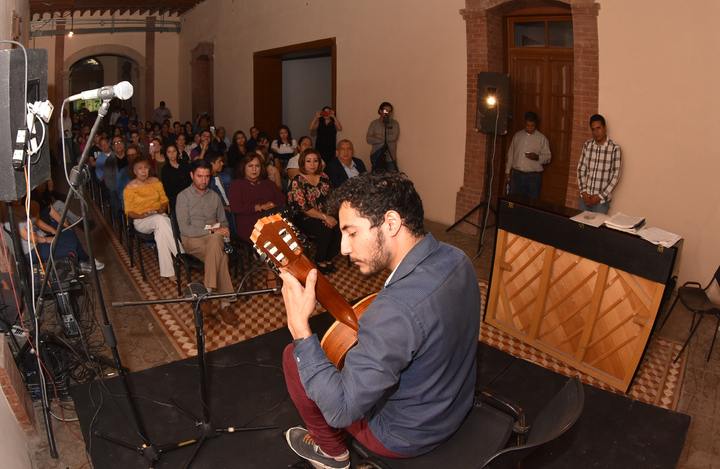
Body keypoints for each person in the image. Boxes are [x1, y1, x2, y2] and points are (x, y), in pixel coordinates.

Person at [279, 172, 480, 468]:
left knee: (294, 357)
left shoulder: (394, 309)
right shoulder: (459, 258)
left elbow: (341, 410)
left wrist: (299, 328)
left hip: (403, 436)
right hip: (455, 407)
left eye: (352, 233)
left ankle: (333, 453)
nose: (344, 248)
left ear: (391, 223)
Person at [175, 159, 238, 325]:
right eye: (199, 176)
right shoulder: (183, 197)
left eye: (207, 177)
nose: (203, 180)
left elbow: (223, 223)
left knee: (219, 249)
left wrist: (219, 230)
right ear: (192, 175)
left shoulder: (215, 197)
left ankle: (206, 295)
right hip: (192, 240)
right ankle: (225, 305)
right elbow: (184, 229)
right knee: (219, 251)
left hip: (213, 241)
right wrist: (211, 230)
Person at [228, 153, 286, 290]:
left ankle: (288, 272)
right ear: (244, 168)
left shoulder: (267, 183)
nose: (254, 169)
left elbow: (282, 199)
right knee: (269, 240)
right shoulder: (237, 184)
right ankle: (271, 275)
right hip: (248, 224)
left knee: (287, 237)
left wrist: (272, 204)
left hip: (270, 220)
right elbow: (236, 207)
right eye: (250, 166)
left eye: (257, 166)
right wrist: (260, 207)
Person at [123, 156, 179, 282]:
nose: (143, 171)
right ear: (134, 171)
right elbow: (129, 212)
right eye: (140, 168)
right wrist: (141, 215)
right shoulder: (129, 188)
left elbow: (164, 201)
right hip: (141, 221)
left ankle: (169, 272)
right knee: (161, 220)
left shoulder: (155, 181)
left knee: (161, 232)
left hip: (159, 217)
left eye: (146, 168)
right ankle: (180, 254)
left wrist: (161, 209)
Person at [287, 148, 340, 275]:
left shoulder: (324, 177)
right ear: (302, 163)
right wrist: (325, 217)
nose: (312, 164)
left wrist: (330, 217)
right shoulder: (297, 180)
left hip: (324, 214)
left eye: (315, 161)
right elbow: (303, 208)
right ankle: (320, 260)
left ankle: (328, 258)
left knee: (340, 229)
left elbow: (332, 199)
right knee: (326, 231)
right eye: (308, 161)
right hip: (303, 217)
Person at [577, 114, 622, 214]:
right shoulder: (588, 145)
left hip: (601, 202)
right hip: (585, 198)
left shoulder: (615, 148)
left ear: (605, 128)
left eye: (598, 128)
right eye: (593, 129)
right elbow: (581, 170)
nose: (596, 132)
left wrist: (600, 196)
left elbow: (615, 177)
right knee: (580, 227)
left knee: (596, 229)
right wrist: (583, 192)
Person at [504, 111, 552, 199]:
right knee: (514, 201)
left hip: (533, 177)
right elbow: (511, 154)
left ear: (536, 125)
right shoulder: (517, 136)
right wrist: (507, 172)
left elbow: (548, 157)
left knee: (532, 203)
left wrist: (537, 157)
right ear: (524, 123)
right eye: (527, 125)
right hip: (517, 175)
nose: (530, 128)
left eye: (532, 126)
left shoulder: (542, 139)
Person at [205, 151, 236, 237]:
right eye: (219, 162)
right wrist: (225, 207)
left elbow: (234, 193)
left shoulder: (226, 176)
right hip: (219, 211)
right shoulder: (207, 182)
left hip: (233, 206)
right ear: (211, 164)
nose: (222, 164)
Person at [366, 101, 400, 171]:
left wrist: (377, 135)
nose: (387, 113)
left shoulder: (394, 123)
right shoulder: (374, 123)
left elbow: (394, 137)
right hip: (377, 156)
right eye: (385, 111)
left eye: (389, 111)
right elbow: (368, 139)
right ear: (380, 111)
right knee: (377, 179)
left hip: (390, 157)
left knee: (391, 179)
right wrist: (385, 136)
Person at [160, 144, 192, 211]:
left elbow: (191, 180)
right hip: (176, 198)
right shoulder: (165, 169)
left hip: (189, 193)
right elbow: (167, 188)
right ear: (166, 154)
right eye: (169, 152)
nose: (172, 154)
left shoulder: (184, 164)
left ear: (177, 152)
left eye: (174, 151)